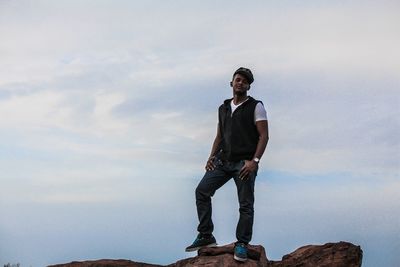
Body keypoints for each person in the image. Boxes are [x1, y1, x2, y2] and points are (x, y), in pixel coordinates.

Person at [185, 67, 269, 262]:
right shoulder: (223, 108)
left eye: (244, 81)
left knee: (245, 204)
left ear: (248, 86)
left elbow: (264, 136)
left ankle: (242, 243)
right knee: (202, 191)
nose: (240, 83)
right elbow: (220, 135)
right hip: (223, 161)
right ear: (232, 83)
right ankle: (206, 235)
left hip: (244, 164)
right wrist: (211, 157)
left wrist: (254, 162)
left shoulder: (256, 106)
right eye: (238, 79)